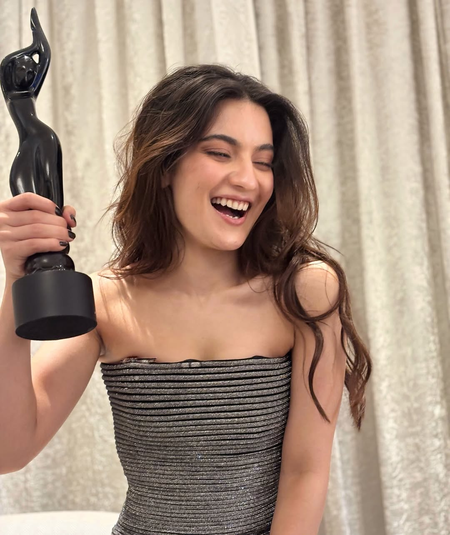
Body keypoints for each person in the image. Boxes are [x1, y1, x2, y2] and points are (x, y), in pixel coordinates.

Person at [0, 64, 372, 535]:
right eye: (220, 153)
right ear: (164, 167)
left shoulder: (305, 292)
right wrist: (18, 282)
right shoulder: (106, 299)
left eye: (263, 162)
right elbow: (9, 451)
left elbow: (306, 472)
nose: (248, 180)